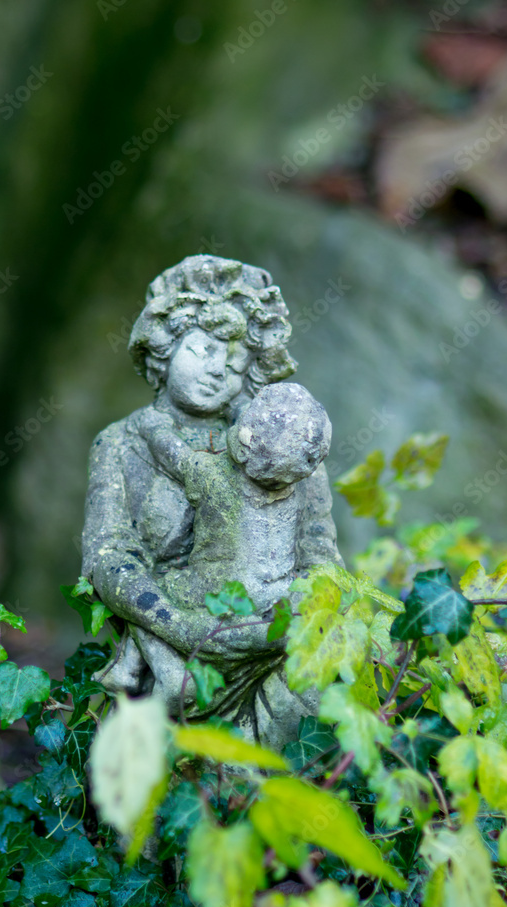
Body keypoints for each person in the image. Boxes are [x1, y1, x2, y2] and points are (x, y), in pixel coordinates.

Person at [81, 254, 341, 745]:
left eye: (237, 358)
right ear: (164, 347)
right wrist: (180, 628)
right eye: (201, 350)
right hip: (168, 654)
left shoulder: (283, 444)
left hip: (273, 644)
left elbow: (321, 556)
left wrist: (284, 623)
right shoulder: (121, 444)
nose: (217, 370)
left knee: (318, 705)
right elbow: (107, 557)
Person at [134, 382, 332, 615]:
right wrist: (235, 404)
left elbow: (172, 454)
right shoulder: (297, 485)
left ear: (242, 449)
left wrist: (154, 429)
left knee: (159, 589)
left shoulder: (212, 474)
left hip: (216, 591)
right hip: (278, 595)